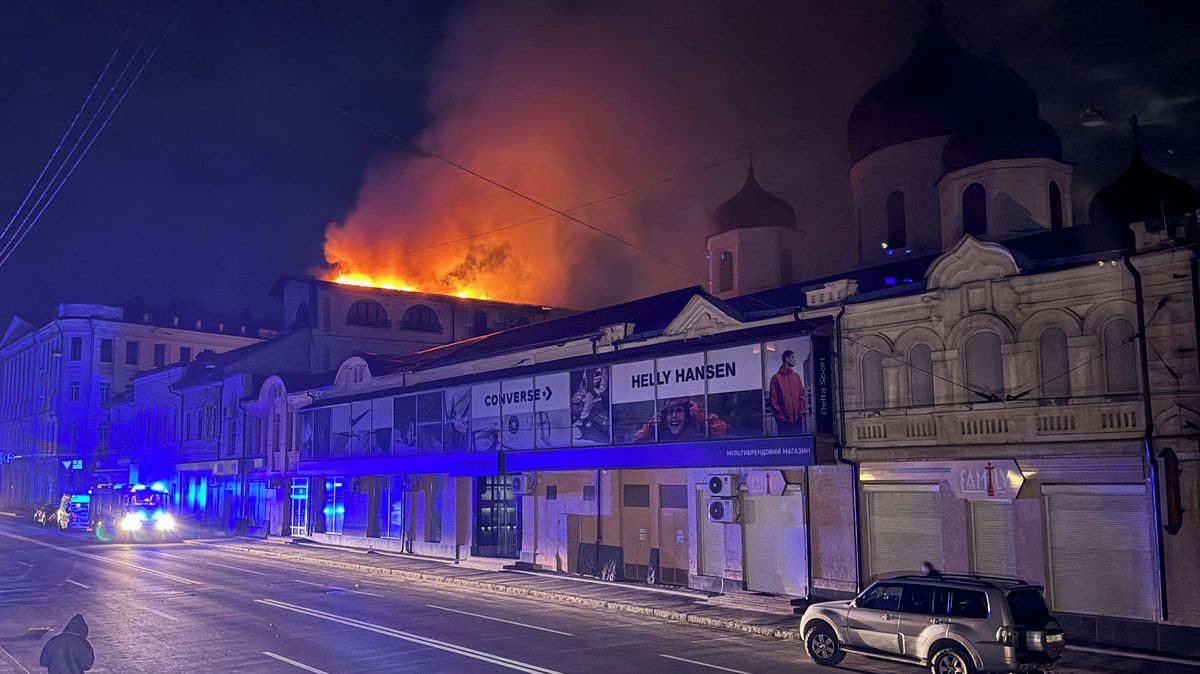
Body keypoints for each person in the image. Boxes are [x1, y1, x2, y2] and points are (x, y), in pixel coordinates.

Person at [633, 397, 728, 442]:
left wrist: (700, 414)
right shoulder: (660, 437)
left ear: (687, 414)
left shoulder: (698, 435)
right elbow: (636, 440)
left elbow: (723, 430)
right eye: (670, 412)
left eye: (679, 411)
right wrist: (651, 428)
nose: (674, 416)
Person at [769, 349, 807, 434]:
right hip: (784, 424)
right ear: (786, 358)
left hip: (797, 422)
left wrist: (801, 414)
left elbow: (801, 397)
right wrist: (781, 418)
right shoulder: (776, 378)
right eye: (792, 357)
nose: (794, 360)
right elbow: (773, 401)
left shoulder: (796, 377)